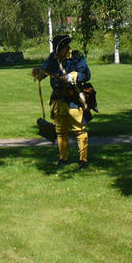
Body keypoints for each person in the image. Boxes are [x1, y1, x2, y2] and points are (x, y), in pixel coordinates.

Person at [32, 34, 92, 169]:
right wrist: (37, 72)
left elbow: (87, 74)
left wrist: (74, 76)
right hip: (58, 101)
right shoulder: (53, 58)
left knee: (79, 130)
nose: (57, 53)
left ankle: (83, 160)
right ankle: (63, 158)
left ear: (66, 48)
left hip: (73, 100)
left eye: (59, 50)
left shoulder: (77, 57)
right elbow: (43, 71)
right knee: (60, 131)